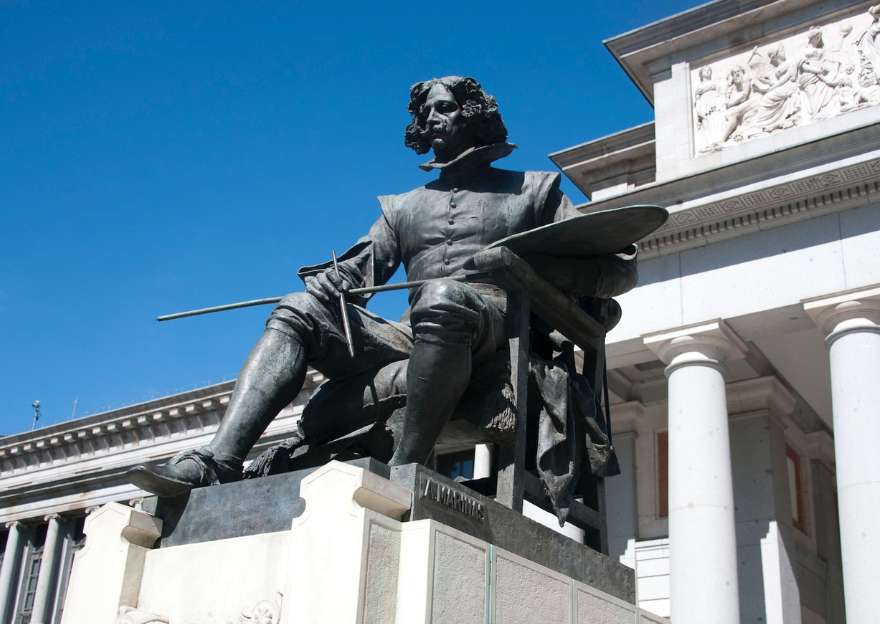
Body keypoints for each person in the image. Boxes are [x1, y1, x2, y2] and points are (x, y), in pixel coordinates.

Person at [130, 76, 637, 496]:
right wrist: (333, 283)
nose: (432, 119)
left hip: (496, 339)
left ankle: (404, 471)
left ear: (474, 115)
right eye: (426, 113)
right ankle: (220, 462)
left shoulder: (534, 190)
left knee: (442, 298)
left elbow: (619, 268)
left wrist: (544, 274)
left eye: (444, 108)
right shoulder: (404, 206)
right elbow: (359, 274)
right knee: (297, 307)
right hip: (415, 333)